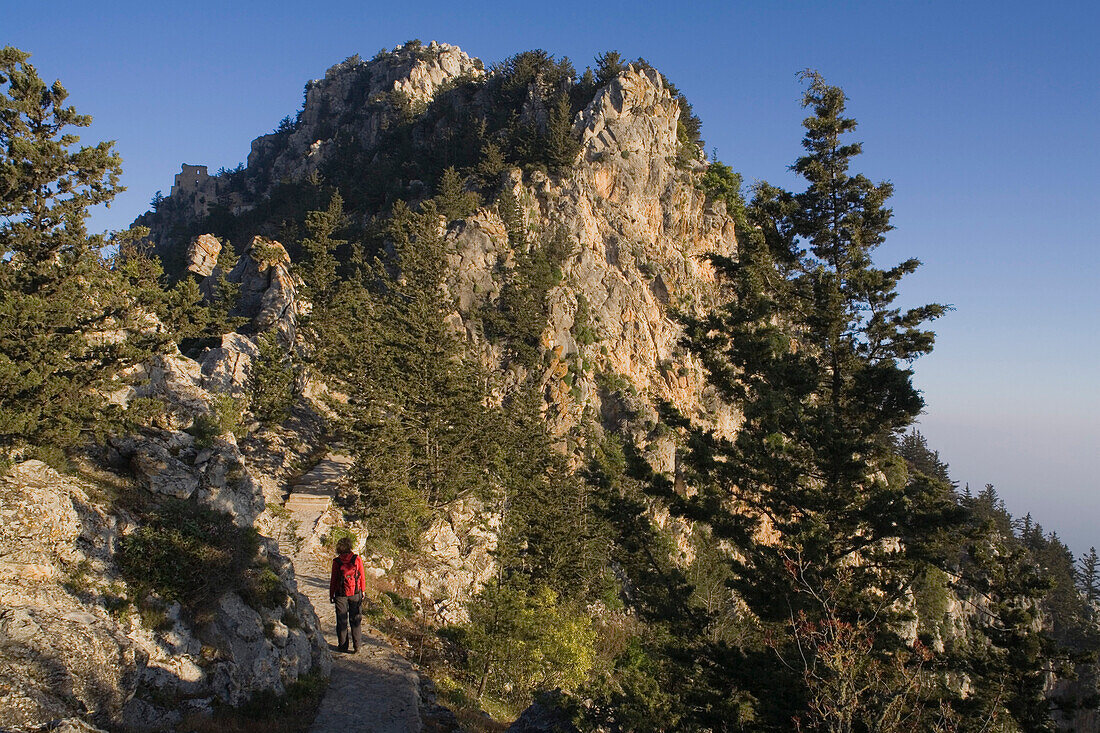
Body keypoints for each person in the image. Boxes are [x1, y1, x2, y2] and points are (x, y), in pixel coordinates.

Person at [328, 536, 365, 653]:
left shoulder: (337, 562)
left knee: (341, 620)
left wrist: (331, 594)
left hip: (340, 594)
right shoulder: (356, 559)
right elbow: (362, 575)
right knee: (355, 619)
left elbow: (333, 579)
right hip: (355, 592)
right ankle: (357, 646)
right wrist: (363, 590)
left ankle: (343, 646)